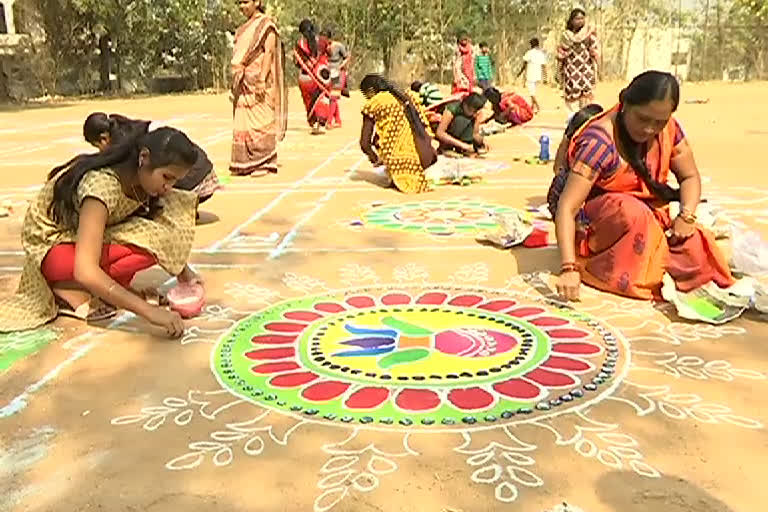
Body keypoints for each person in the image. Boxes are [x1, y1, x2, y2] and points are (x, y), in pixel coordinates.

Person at [0, 127, 202, 338]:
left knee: (166, 234)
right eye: (167, 177)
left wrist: (184, 273)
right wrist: (150, 313)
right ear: (144, 158)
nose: (169, 186)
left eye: (175, 181)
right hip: (51, 248)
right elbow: (85, 270)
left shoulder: (142, 182)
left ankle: (100, 290)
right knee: (150, 245)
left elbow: (169, 232)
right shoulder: (101, 188)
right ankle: (68, 288)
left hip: (75, 238)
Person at [553, 71, 734, 302]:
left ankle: (656, 260)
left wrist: (686, 217)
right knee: (633, 215)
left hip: (650, 215)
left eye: (659, 122)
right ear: (625, 104)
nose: (650, 129)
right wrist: (568, 268)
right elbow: (567, 207)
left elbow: (689, 177)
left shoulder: (670, 130)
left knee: (698, 247)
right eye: (642, 119)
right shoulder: (599, 141)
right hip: (598, 222)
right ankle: (604, 267)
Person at [83, 113, 220, 215]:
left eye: (97, 146)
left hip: (195, 174)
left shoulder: (128, 147)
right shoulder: (132, 129)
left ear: (103, 138)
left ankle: (186, 204)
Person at [230, 0, 288, 176]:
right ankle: (245, 162)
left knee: (260, 120)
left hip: (259, 82)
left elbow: (268, 53)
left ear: (257, 2)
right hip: (243, 83)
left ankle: (264, 161)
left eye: (245, 2)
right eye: (239, 3)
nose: (242, 6)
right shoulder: (242, 29)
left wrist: (262, 79)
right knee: (243, 121)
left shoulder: (266, 26)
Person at [359, 74, 438, 194]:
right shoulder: (408, 96)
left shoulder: (376, 102)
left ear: (370, 91)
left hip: (400, 162)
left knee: (379, 138)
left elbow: (364, 143)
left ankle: (397, 172)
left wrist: (375, 159)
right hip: (426, 156)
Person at [557, 8, 599, 111]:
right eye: (577, 18)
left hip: (586, 71)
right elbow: (561, 54)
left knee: (586, 101)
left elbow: (595, 52)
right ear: (571, 21)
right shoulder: (566, 36)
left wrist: (598, 69)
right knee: (572, 102)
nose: (580, 21)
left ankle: (584, 122)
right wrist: (558, 72)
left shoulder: (590, 35)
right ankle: (574, 123)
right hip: (570, 71)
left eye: (582, 18)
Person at [295, 19, 332, 135]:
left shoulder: (299, 45)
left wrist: (308, 64)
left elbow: (296, 62)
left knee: (309, 100)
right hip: (322, 76)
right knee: (323, 98)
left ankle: (314, 123)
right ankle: (321, 124)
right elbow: (330, 53)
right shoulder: (322, 41)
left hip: (306, 77)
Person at [322, 27, 351, 129]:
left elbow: (347, 57)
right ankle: (338, 120)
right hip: (330, 74)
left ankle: (329, 122)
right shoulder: (324, 47)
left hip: (338, 73)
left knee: (333, 97)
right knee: (331, 97)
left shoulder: (338, 46)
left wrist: (341, 66)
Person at [518, 38, 547, 114]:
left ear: (531, 45)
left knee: (532, 93)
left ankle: (538, 107)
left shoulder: (529, 53)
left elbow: (524, 64)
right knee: (533, 91)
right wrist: (545, 77)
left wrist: (520, 72)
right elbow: (544, 66)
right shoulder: (541, 53)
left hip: (531, 75)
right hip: (538, 75)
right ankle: (532, 107)